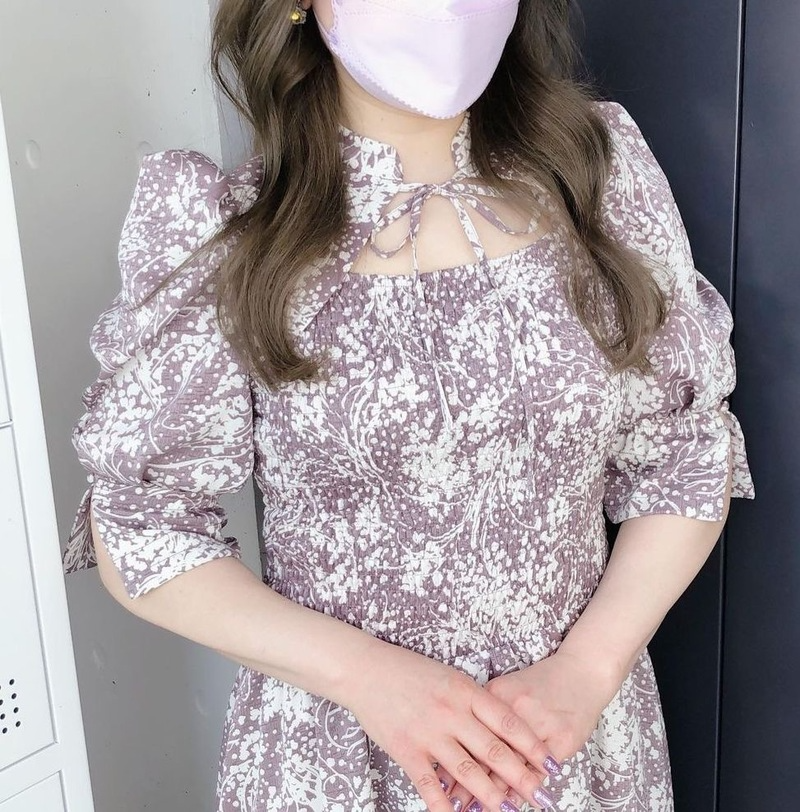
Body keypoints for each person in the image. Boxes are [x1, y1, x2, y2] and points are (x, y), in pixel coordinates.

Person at [61, 1, 756, 810]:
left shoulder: (595, 177)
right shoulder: (230, 231)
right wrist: (367, 676)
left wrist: (588, 668)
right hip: (339, 759)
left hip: (574, 742)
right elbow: (141, 526)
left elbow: (682, 451)